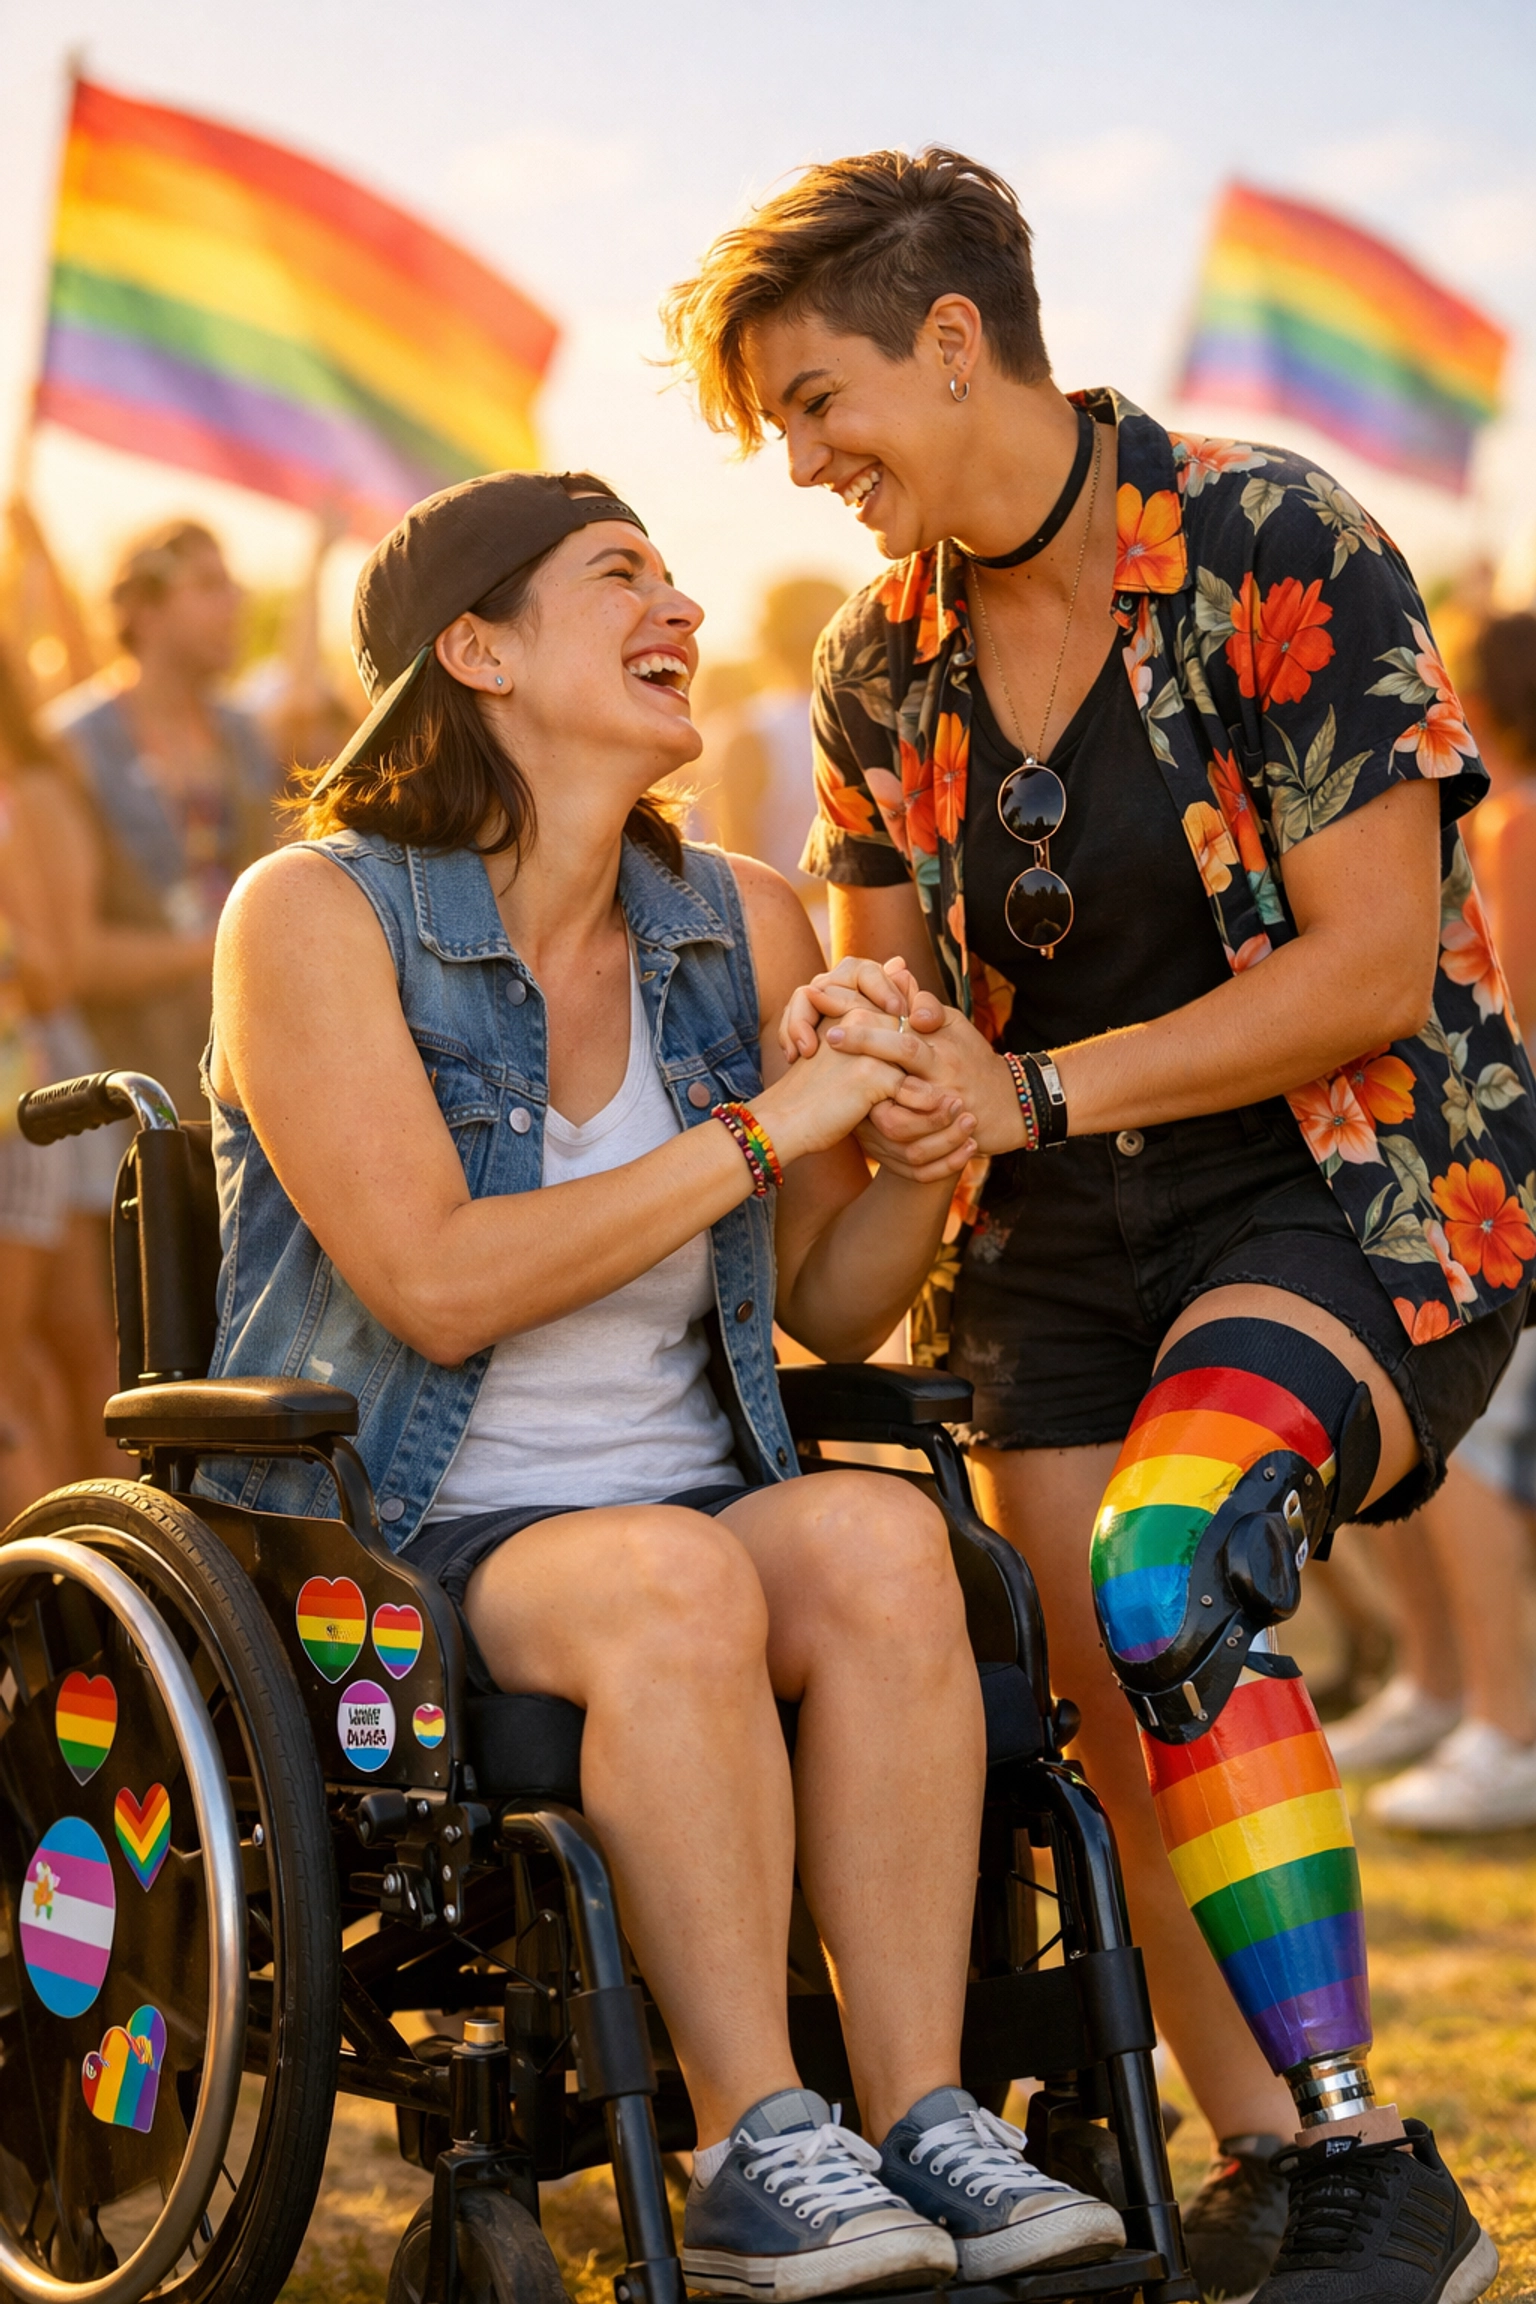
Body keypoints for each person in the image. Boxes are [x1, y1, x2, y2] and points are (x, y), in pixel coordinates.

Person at [664, 145, 1531, 2304]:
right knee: (1112, 1691)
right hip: (1056, 1237)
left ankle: (1373, 2162)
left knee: (1174, 1564)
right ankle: (1267, 2174)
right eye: (778, 426)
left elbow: (1364, 966)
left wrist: (1032, 1084)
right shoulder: (881, 662)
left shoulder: (1271, 535)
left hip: (1340, 1183)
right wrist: (867, 1025)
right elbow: (906, 1001)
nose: (802, 462)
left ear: (956, 340)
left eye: (818, 398)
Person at [199, 467, 1129, 2301]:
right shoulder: (311, 915)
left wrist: (921, 1124)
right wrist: (758, 1127)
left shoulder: (743, 915)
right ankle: (759, 2139)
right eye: (620, 574)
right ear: (475, 648)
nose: (681, 608)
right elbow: (439, 1283)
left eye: (679, 579)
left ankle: (923, 2107)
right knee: (673, 1576)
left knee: (880, 1542)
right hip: (406, 1528)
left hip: (695, 1502)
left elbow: (832, 1310)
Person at [1328, 610, 1536, 1828]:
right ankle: (1441, 1688)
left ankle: (1500, 1718)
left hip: (1493, 1154)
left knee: (1457, 1439)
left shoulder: (1507, 823)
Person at [47, 519, 279, 1116]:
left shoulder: (245, 738)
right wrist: (227, 945)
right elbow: (72, 957)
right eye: (208, 585)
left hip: (241, 1090)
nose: (236, 603)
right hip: (118, 1105)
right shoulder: (74, 747)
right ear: (143, 611)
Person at [713, 576, 848, 943]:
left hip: (787, 933)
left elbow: (737, 871)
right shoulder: (886, 722)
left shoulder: (747, 733)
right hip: (876, 930)